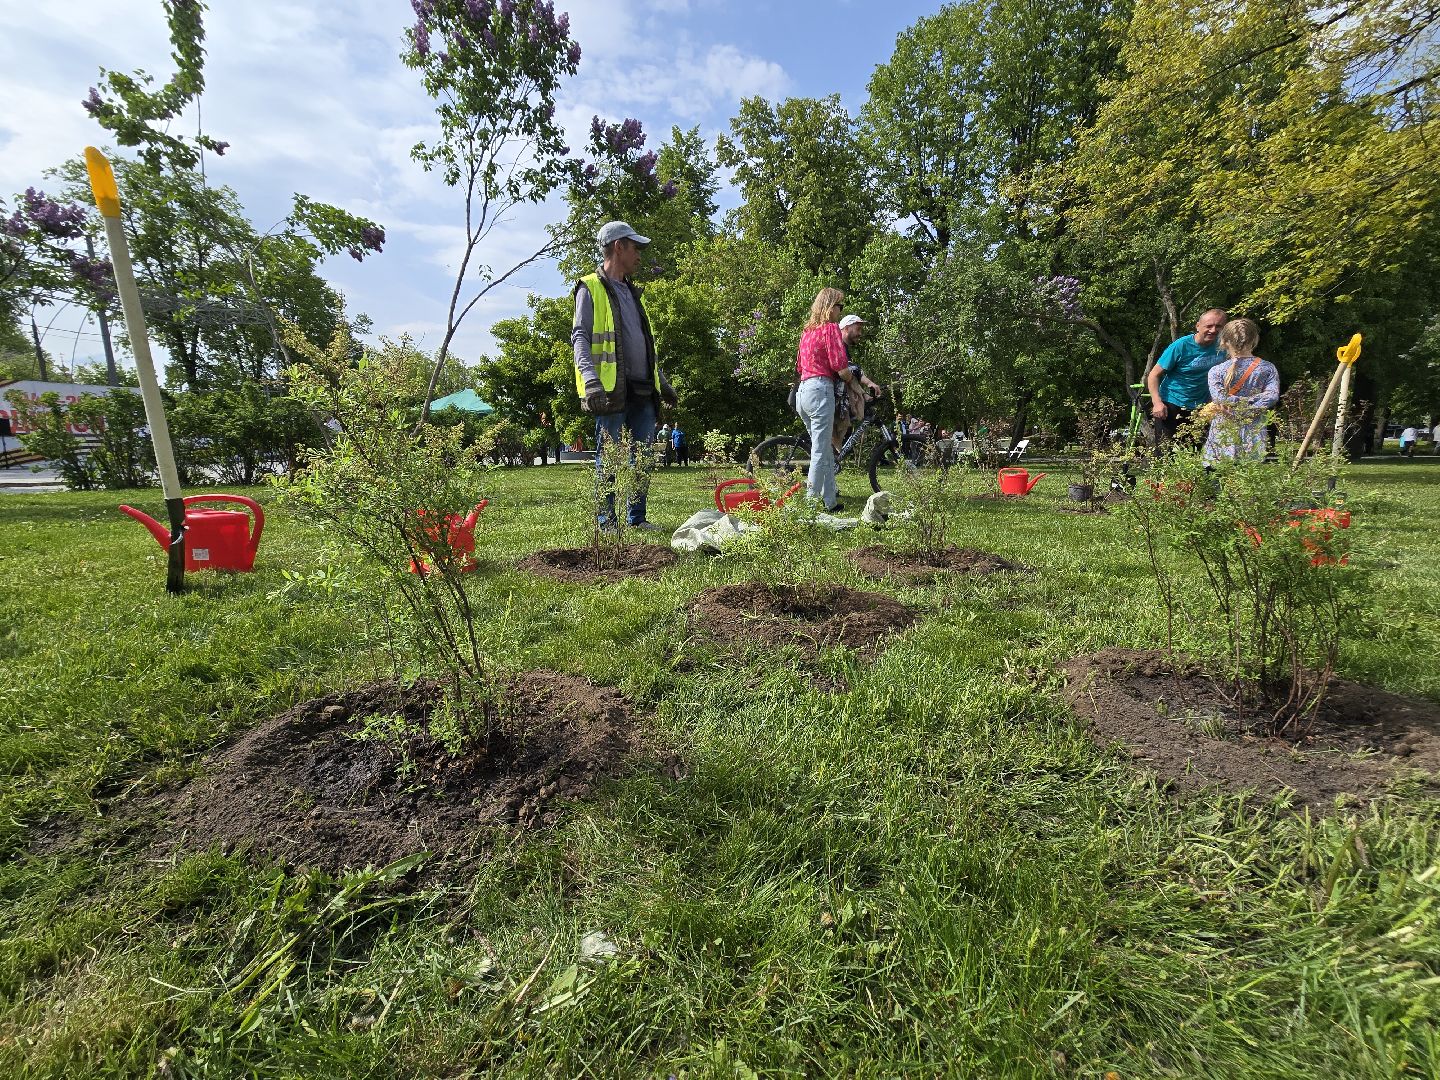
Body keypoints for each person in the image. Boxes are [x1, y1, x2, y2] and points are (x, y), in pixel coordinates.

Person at [572, 220, 677, 530]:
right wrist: (590, 379)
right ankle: (607, 522)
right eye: (635, 248)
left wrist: (663, 382)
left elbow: (645, 344)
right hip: (609, 389)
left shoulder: (634, 294)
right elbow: (580, 336)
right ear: (618, 246)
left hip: (643, 388)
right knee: (611, 457)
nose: (639, 256)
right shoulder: (589, 286)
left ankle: (637, 519)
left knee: (642, 458)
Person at [794, 287, 858, 511]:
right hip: (820, 390)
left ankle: (830, 502)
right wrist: (853, 382)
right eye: (840, 306)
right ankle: (810, 507)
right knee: (820, 451)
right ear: (830, 307)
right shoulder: (830, 328)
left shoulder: (807, 331)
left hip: (803, 393)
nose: (841, 311)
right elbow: (839, 365)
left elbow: (800, 366)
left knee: (824, 449)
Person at [1147, 308, 1228, 451]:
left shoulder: (1223, 347)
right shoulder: (1181, 346)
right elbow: (1153, 375)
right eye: (1209, 326)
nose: (1213, 330)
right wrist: (1157, 403)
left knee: (1195, 452)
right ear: (1198, 326)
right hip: (1172, 403)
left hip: (1202, 407)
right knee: (1165, 453)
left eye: (1218, 326)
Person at [1200, 317, 1279, 462]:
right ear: (1254, 340)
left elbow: (1220, 398)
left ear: (1223, 341)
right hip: (1253, 436)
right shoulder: (1267, 368)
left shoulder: (1216, 371)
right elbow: (1271, 396)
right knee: (1250, 480)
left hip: (1223, 437)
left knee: (1218, 480)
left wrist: (1236, 404)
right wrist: (1249, 404)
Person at [831, 313, 881, 453]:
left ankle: (834, 459)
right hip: (827, 396)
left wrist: (867, 388)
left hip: (833, 396)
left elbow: (853, 373)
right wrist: (867, 388)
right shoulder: (838, 346)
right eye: (858, 329)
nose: (860, 333)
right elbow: (850, 372)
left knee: (842, 427)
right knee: (837, 430)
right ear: (846, 328)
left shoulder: (844, 348)